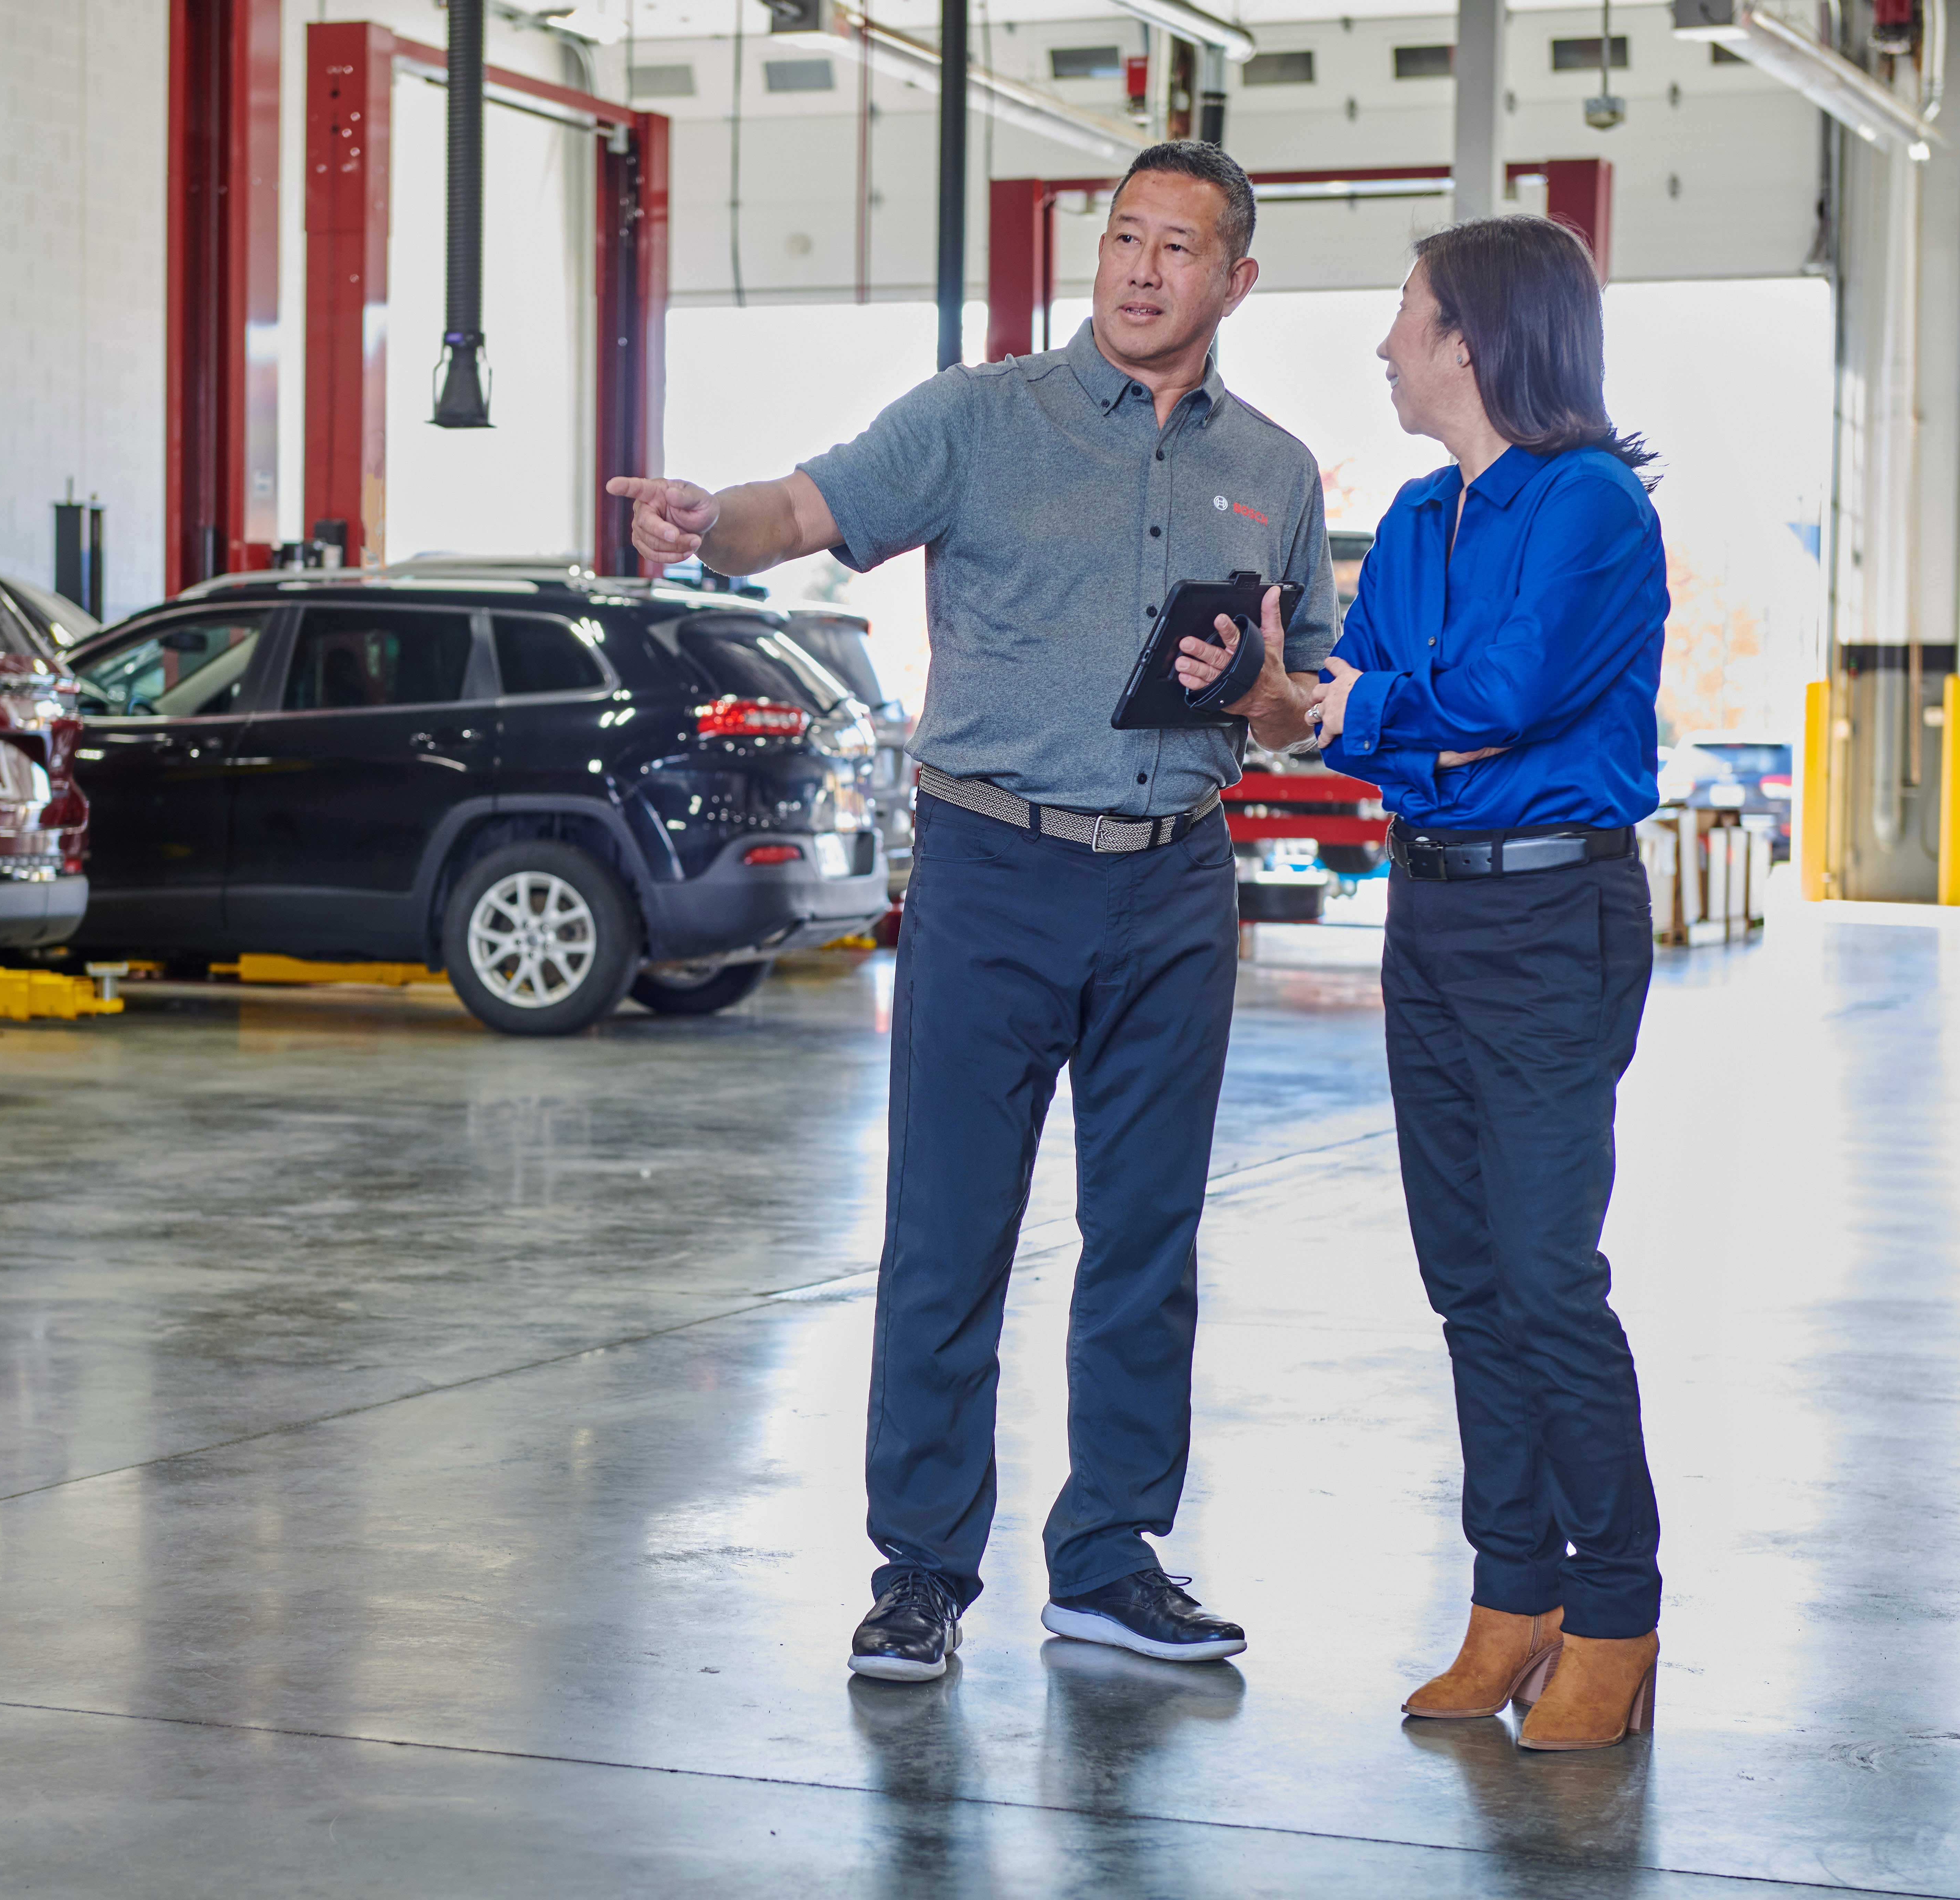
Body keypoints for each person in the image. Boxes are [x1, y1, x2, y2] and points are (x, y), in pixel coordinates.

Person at [609, 142, 1337, 1683]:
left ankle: (1110, 1557)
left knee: (1147, 1234)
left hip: (1177, 879)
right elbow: (800, 506)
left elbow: (1296, 703)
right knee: (950, 1229)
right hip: (993, 868)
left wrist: (1272, 697)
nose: (1142, 269)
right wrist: (704, 515)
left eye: (1178, 249)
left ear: (1237, 280)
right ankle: (922, 1568)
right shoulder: (975, 418)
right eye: (1124, 239)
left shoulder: (1275, 473)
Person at [1296, 215, 1669, 1750]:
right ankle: (1511, 1592)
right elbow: (1373, 709)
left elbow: (1502, 696)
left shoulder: (1592, 509)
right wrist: (1361, 709)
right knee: (1466, 1279)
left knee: (1544, 1271)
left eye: (1408, 316)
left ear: (1475, 338)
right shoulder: (1409, 515)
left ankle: (1621, 1610)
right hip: (1432, 914)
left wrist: (1376, 709)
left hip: (1551, 915)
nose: (1388, 344)